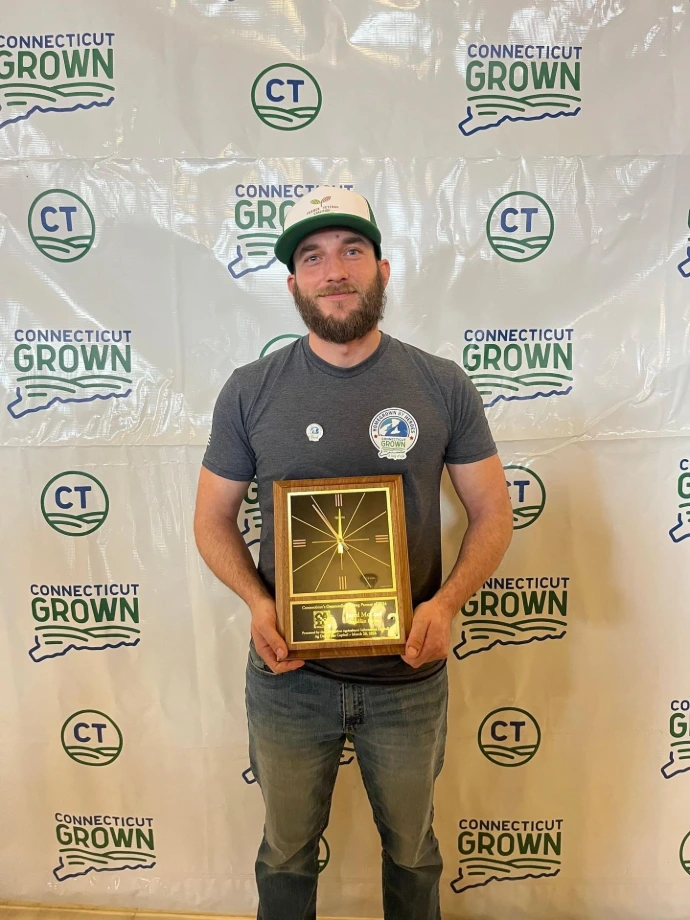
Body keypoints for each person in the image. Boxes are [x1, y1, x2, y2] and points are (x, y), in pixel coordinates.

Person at [194, 187, 513, 920]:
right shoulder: (250, 392)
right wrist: (257, 602)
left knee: (412, 853)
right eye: (313, 257)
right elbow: (212, 520)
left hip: (408, 675)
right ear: (293, 284)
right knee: (284, 854)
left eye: (351, 251)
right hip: (289, 678)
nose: (334, 270)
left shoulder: (442, 384)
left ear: (383, 269)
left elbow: (493, 509)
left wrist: (446, 602)